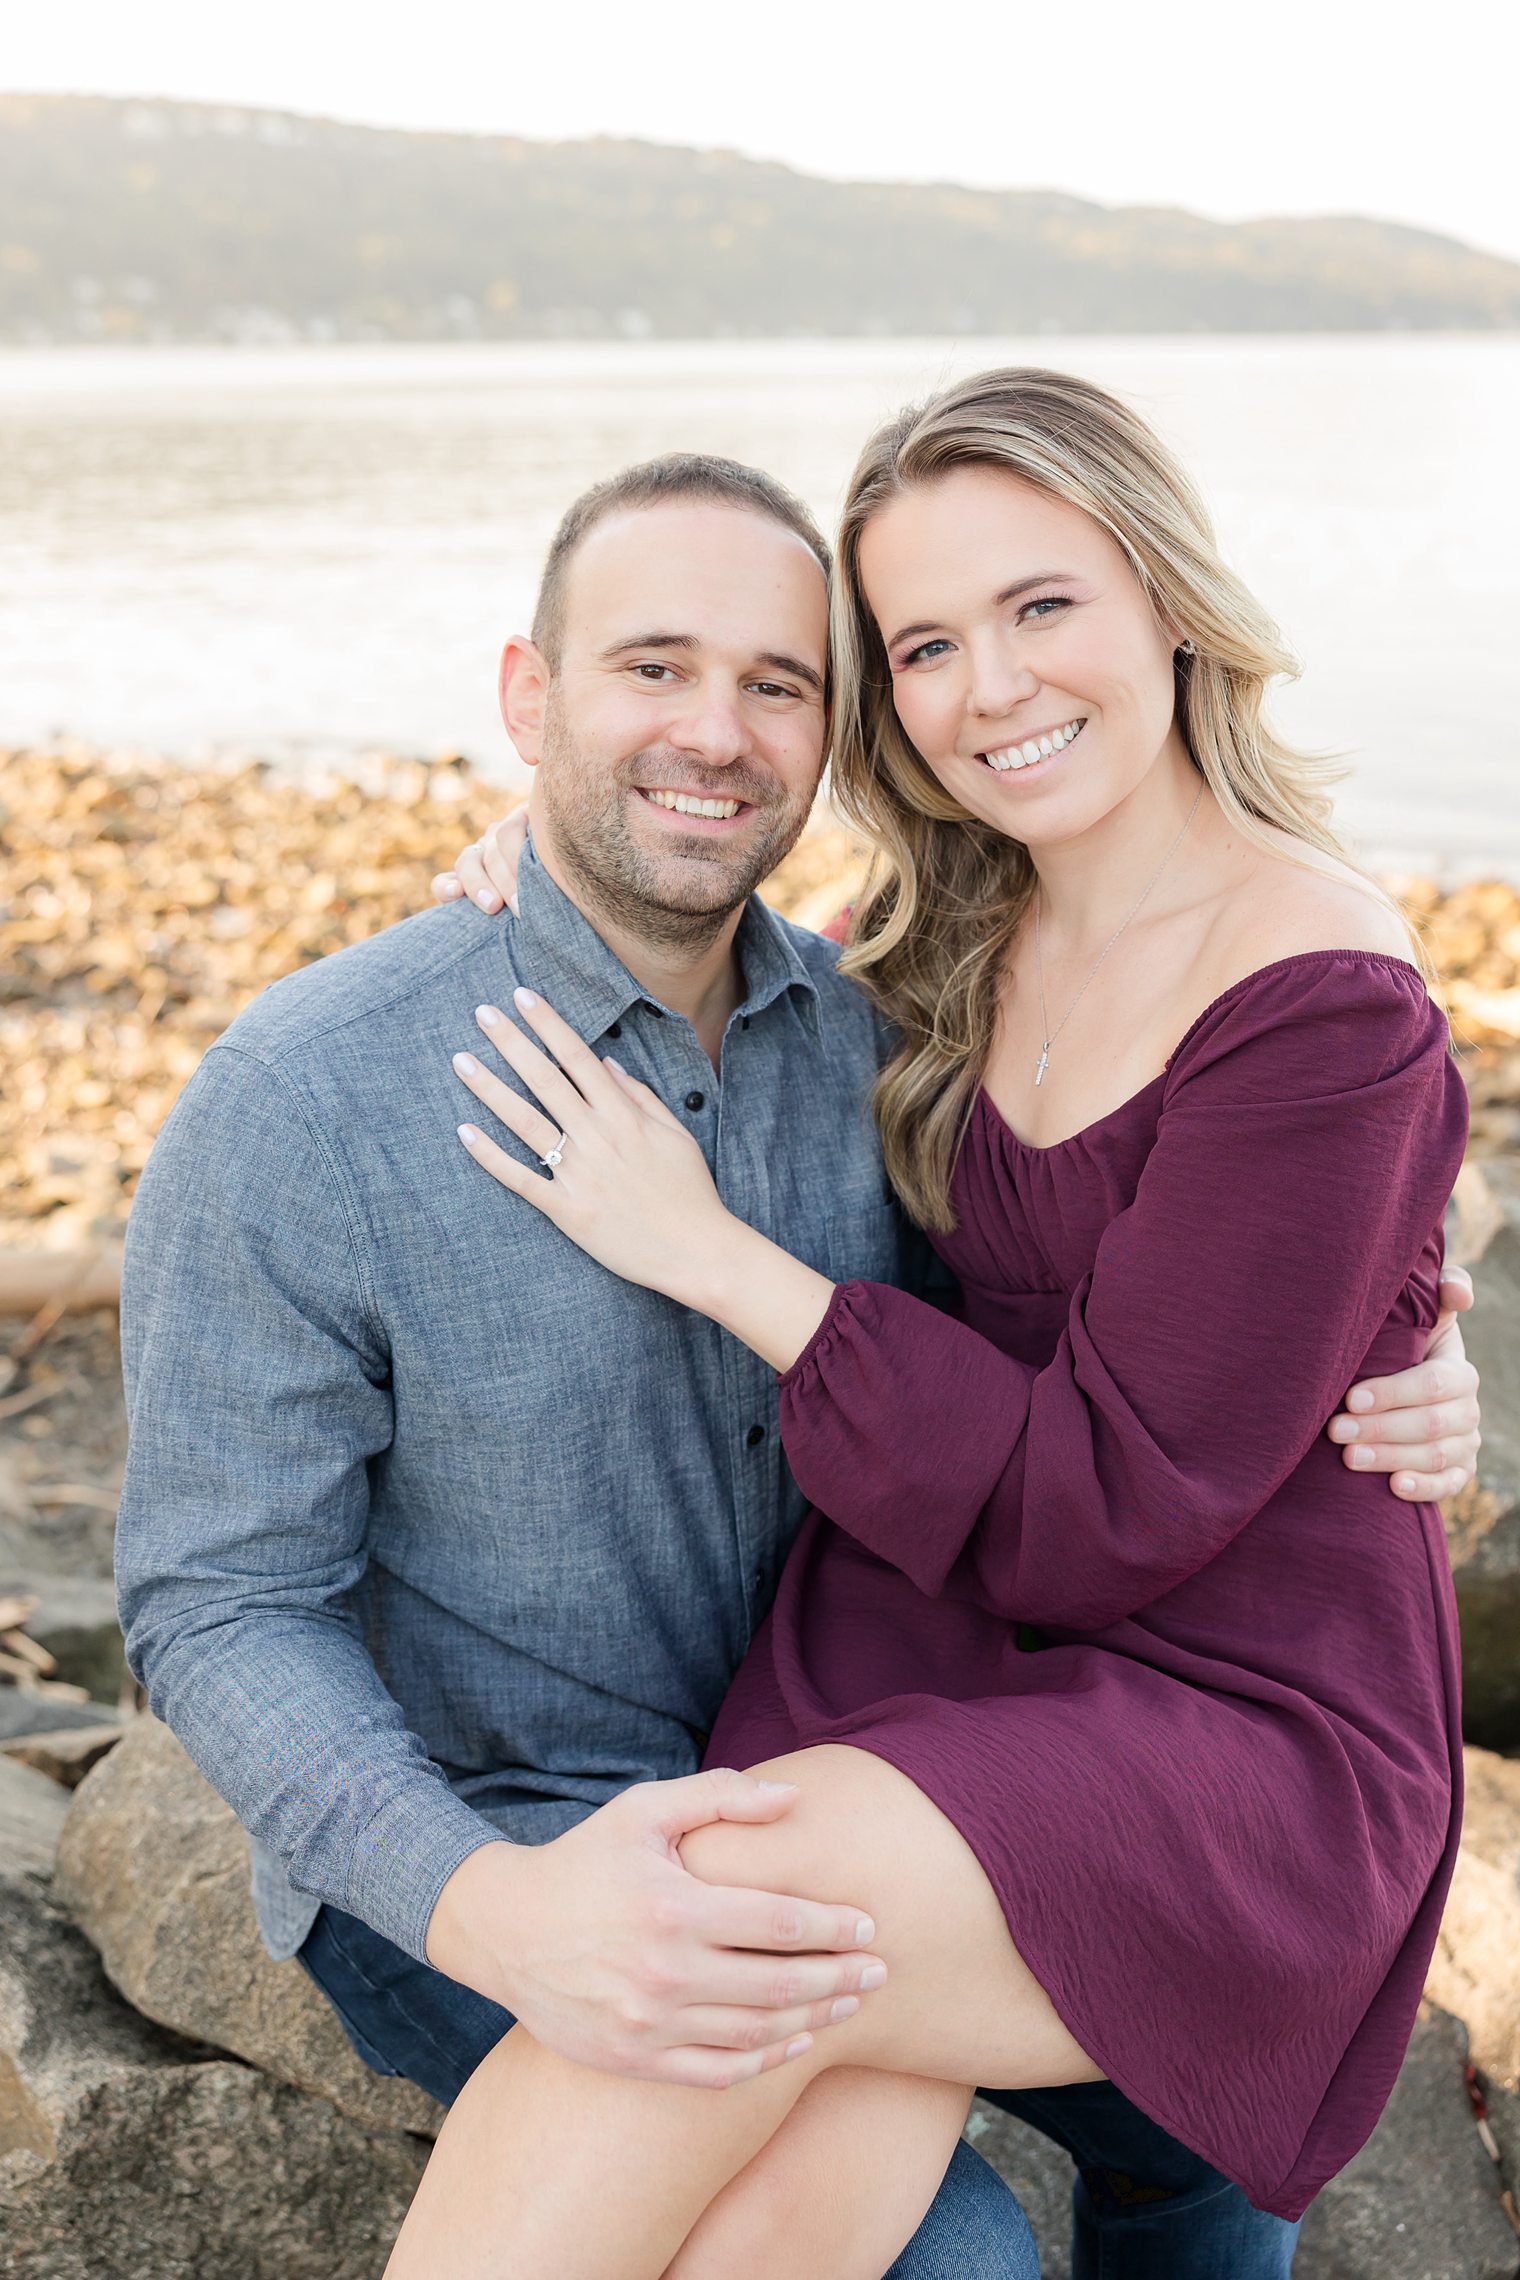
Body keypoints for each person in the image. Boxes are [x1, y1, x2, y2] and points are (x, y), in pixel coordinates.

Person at [113, 446, 1477, 2280]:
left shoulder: (875, 1038)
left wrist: (1410, 1311)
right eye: (649, 669)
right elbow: (215, 1601)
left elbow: (1171, 1267)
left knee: (1190, 2145)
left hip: (946, 1742)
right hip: (530, 1826)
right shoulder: (318, 1096)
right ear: (530, 697)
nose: (714, 732)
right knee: (957, 2249)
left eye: (779, 684)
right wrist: (487, 1909)